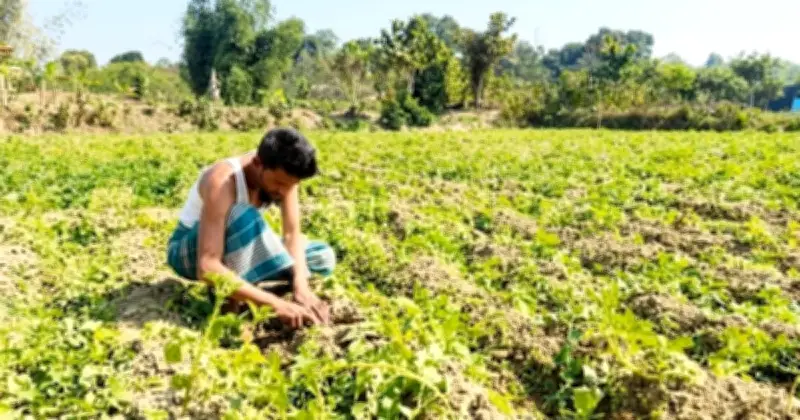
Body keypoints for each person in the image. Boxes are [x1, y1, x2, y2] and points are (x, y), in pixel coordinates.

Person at [166, 127, 335, 329]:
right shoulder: (222, 181)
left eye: (291, 185)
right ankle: (232, 300)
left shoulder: (285, 177)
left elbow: (291, 235)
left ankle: (248, 287)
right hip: (190, 252)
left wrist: (301, 286)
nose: (284, 192)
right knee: (243, 216)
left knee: (321, 256)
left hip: (237, 244)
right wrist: (275, 304)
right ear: (257, 164)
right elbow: (207, 266)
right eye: (279, 183)